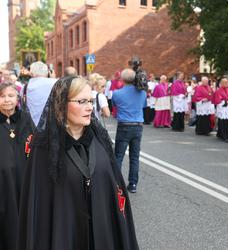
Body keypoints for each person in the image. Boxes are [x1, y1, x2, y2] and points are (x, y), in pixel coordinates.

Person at [17, 76, 139, 250]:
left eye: (90, 101)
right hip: (63, 236)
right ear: (61, 105)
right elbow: (37, 209)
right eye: (81, 101)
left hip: (102, 234)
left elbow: (115, 193)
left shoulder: (100, 141)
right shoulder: (44, 149)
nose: (89, 107)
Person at [0, 83, 33, 250]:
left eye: (11, 96)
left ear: (18, 99)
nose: (7, 100)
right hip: (3, 182)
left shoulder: (25, 119)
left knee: (23, 213)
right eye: (3, 96)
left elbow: (35, 145)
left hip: (23, 178)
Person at [112, 69, 147, 193]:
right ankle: (133, 184)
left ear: (122, 79)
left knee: (118, 155)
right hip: (138, 126)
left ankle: (116, 184)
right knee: (134, 156)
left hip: (124, 126)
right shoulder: (142, 93)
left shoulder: (116, 93)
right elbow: (143, 105)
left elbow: (114, 105)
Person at [21, 61, 57, 126]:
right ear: (47, 72)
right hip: (50, 127)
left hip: (30, 128)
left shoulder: (24, 87)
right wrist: (54, 79)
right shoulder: (55, 83)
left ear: (31, 73)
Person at [213, 77, 228, 142]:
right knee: (222, 122)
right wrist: (225, 102)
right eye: (224, 82)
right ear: (221, 83)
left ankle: (227, 135)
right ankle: (224, 136)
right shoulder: (218, 91)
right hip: (222, 108)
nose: (226, 84)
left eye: (227, 82)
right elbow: (217, 100)